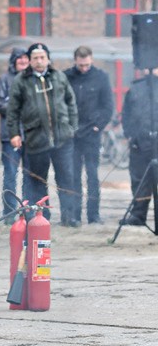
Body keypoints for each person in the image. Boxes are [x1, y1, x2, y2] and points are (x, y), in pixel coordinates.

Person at [7, 43, 79, 225]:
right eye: (35, 58)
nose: (39, 61)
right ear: (30, 61)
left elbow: (71, 103)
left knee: (66, 178)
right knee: (38, 181)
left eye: (42, 57)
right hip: (36, 138)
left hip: (62, 138)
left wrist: (72, 128)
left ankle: (69, 216)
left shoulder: (59, 77)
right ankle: (41, 218)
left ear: (48, 58)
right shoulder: (21, 81)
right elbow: (13, 111)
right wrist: (14, 133)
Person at [64, 46, 114, 225]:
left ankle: (94, 215)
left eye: (87, 65)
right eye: (81, 65)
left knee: (92, 175)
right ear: (75, 60)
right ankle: (75, 215)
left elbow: (108, 106)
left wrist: (97, 127)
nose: (84, 68)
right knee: (74, 176)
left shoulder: (101, 77)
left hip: (92, 135)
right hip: (72, 135)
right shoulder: (67, 77)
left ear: (91, 59)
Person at [0, 47, 31, 223]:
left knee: (29, 176)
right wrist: (16, 108)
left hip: (31, 135)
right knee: (10, 176)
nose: (23, 62)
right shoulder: (5, 80)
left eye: (25, 59)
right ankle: (9, 214)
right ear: (13, 61)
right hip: (10, 136)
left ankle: (29, 211)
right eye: (19, 59)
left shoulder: (33, 79)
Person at [120, 68, 158, 226]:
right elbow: (126, 113)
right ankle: (138, 215)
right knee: (139, 181)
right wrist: (130, 134)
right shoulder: (135, 88)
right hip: (140, 143)